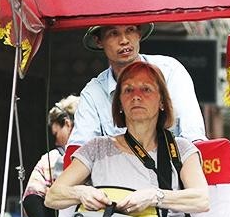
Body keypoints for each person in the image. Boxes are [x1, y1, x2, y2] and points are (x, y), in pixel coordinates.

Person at [45, 61, 209, 217]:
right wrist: (82, 192)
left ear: (163, 101)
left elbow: (201, 198)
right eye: (128, 90)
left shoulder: (182, 148)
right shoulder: (96, 148)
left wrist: (155, 196)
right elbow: (53, 195)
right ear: (119, 103)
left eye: (146, 89)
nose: (136, 97)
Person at [68, 24, 206, 150]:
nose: (124, 40)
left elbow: (193, 135)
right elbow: (80, 149)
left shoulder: (170, 71)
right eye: (113, 33)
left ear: (139, 34)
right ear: (99, 41)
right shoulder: (93, 93)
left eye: (130, 30)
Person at [23, 95, 79, 217]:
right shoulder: (105, 154)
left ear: (67, 124)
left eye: (56, 133)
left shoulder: (52, 159)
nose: (55, 141)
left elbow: (31, 201)